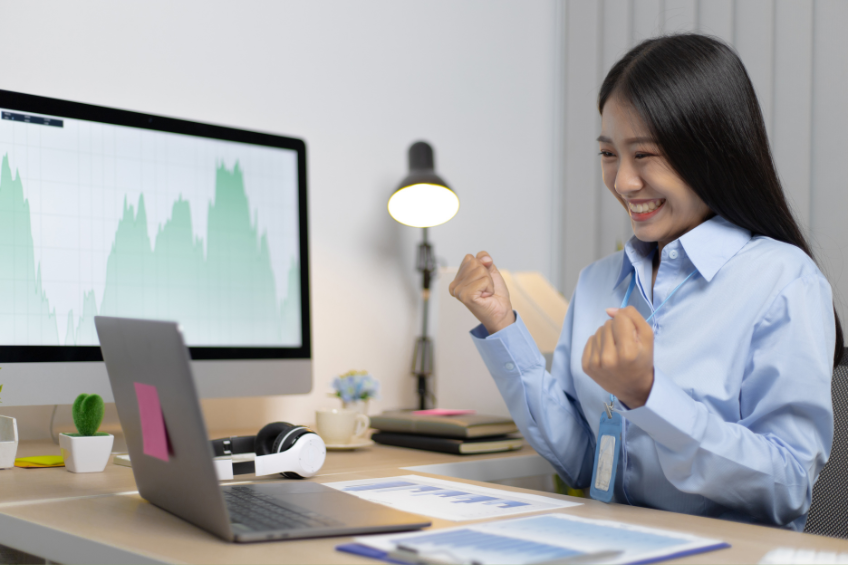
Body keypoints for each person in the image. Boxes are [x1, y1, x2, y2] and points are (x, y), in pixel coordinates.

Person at [449, 33, 841, 531]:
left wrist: (649, 396)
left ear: (711, 152)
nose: (623, 182)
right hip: (614, 545)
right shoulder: (598, 283)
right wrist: (503, 326)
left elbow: (786, 487)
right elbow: (587, 463)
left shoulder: (784, 281)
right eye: (609, 154)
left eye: (646, 154)